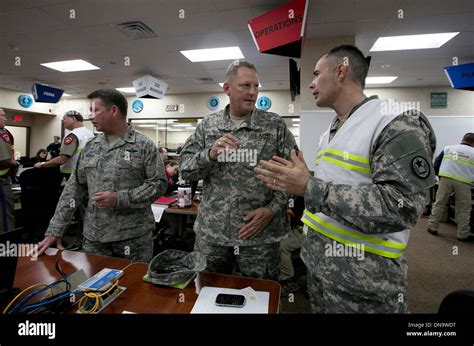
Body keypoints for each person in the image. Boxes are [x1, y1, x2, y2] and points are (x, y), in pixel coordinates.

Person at [255, 45, 436, 313]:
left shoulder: (394, 123)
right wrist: (303, 178)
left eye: (316, 74)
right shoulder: (335, 128)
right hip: (324, 275)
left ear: (340, 71)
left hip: (364, 286)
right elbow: (347, 183)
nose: (311, 83)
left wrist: (310, 186)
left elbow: (403, 207)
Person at [179, 59, 296, 280]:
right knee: (206, 290)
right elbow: (185, 170)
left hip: (259, 235)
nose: (253, 92)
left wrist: (272, 209)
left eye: (256, 86)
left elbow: (294, 175)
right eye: (245, 85)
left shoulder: (274, 125)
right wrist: (210, 154)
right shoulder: (207, 126)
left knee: (259, 295)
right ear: (227, 88)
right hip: (213, 233)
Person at [37, 89, 168, 261]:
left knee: (132, 286)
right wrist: (55, 229)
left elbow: (158, 184)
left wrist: (121, 198)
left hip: (132, 238)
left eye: (95, 110)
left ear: (113, 110)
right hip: (94, 238)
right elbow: (74, 188)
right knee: (94, 286)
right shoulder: (91, 146)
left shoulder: (143, 145)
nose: (90, 116)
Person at [427, 133, 474, 241]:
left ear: (462, 139)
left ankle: (432, 227)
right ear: (473, 143)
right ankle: (462, 235)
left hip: (445, 179)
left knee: (439, 203)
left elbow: (436, 165)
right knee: (463, 209)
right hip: (464, 182)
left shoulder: (448, 148)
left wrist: (441, 176)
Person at [34, 111, 94, 180]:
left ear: (73, 119)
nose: (63, 121)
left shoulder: (73, 135)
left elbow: (62, 160)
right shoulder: (90, 134)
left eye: (65, 119)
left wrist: (42, 164)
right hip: (88, 173)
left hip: (73, 175)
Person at [0, 108, 19, 233]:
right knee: (5, 216)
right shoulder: (2, 133)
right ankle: (7, 248)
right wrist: (16, 163)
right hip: (1, 181)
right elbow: (5, 159)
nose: (5, 118)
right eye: (3, 116)